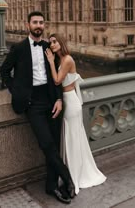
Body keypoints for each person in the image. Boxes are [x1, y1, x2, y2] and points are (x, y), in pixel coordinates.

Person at [0, 11, 75, 204]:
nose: (38, 25)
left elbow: (56, 76)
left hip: (50, 100)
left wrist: (59, 99)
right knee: (46, 144)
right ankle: (67, 179)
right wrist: (16, 91)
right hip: (32, 102)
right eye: (35, 22)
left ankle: (51, 186)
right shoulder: (18, 48)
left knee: (54, 144)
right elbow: (4, 71)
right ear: (28, 25)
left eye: (41, 22)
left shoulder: (48, 47)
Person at [45, 33, 106, 195]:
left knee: (72, 138)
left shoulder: (67, 60)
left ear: (61, 42)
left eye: (54, 41)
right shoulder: (61, 59)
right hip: (66, 100)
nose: (52, 45)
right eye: (50, 42)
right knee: (69, 137)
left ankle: (75, 175)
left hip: (70, 101)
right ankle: (69, 173)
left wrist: (51, 62)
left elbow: (57, 80)